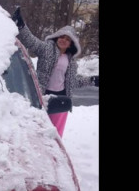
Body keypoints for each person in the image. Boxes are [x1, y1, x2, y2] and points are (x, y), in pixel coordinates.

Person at [11, 7, 98, 137]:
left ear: (71, 44)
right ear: (56, 37)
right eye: (61, 37)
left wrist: (91, 80)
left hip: (61, 98)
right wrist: (21, 25)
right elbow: (31, 41)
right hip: (43, 96)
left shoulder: (71, 61)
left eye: (67, 39)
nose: (63, 40)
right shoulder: (46, 49)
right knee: (39, 130)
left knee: (55, 133)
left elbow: (73, 81)